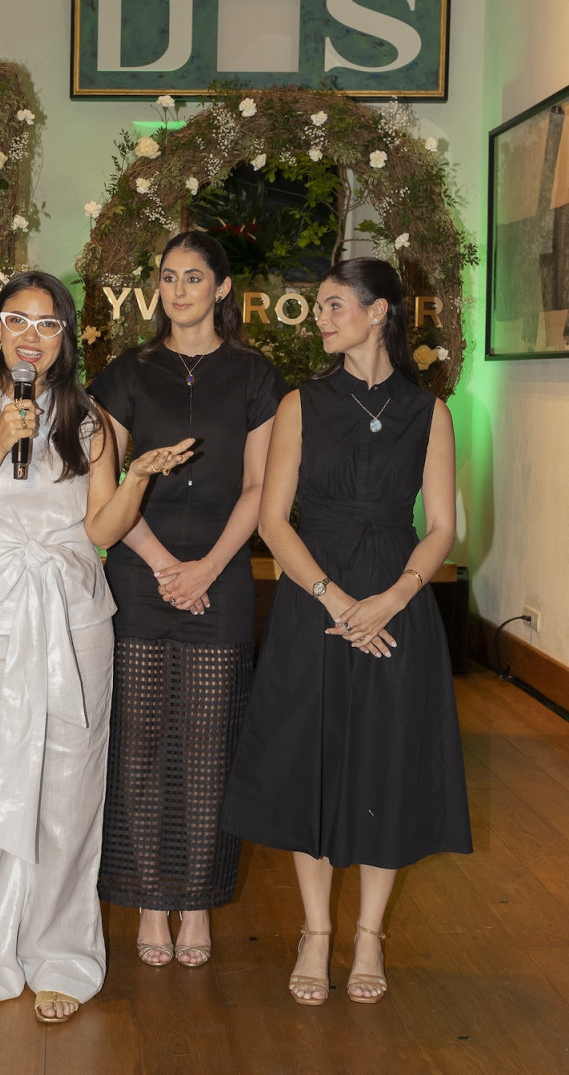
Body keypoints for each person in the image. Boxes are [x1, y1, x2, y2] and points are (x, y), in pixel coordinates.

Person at [0, 271, 192, 1026]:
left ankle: (62, 955)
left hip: (73, 618)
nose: (30, 337)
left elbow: (101, 533)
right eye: (17, 321)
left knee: (69, 791)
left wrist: (135, 477)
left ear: (67, 338)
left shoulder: (92, 420)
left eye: (47, 325)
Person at [220, 256, 472, 1006]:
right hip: (313, 602)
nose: (321, 319)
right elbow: (272, 520)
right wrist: (335, 602)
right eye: (319, 307)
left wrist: (392, 599)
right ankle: (315, 932)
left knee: (385, 764)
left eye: (334, 306)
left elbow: (442, 528)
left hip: (397, 606)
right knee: (311, 761)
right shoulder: (301, 404)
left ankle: (368, 937)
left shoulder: (431, 413)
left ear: (379, 312)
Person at [89, 230, 287, 967]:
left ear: (223, 288)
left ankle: (197, 905)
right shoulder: (126, 374)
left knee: (209, 745)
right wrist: (167, 563)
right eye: (168, 277)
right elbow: (102, 489)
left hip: (224, 574)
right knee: (138, 743)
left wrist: (205, 569)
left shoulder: (257, 375)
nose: (179, 290)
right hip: (140, 571)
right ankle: (147, 903)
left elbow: (262, 487)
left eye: (194, 278)